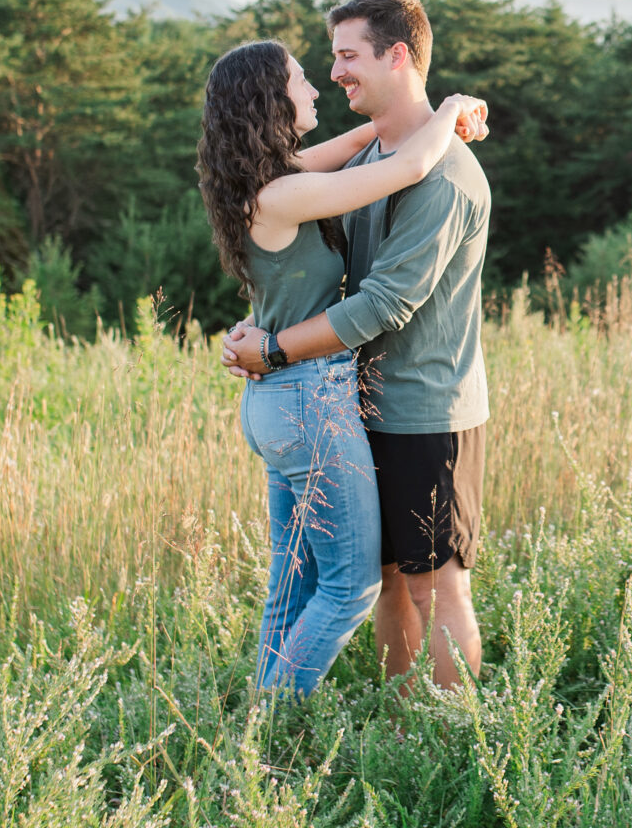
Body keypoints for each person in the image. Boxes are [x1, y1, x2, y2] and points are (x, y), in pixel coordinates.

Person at [198, 35, 486, 694]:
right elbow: (409, 166)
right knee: (351, 586)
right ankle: (271, 721)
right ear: (272, 100)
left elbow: (368, 142)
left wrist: (418, 111)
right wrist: (451, 108)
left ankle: (258, 727)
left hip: (279, 401)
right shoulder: (284, 193)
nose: (316, 85)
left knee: (291, 582)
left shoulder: (270, 180)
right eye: (300, 79)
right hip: (306, 400)